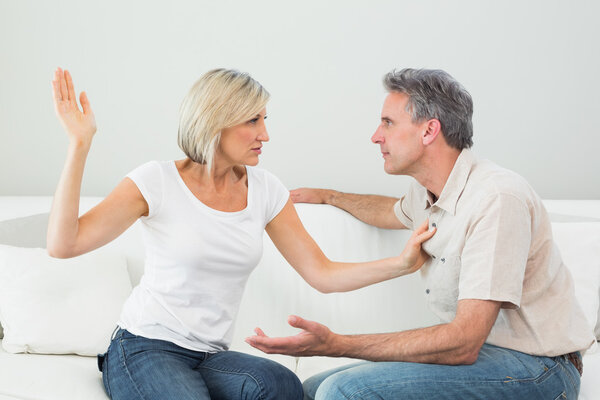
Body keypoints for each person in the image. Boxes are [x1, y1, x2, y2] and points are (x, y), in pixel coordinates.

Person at [47, 67, 436, 400]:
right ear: (216, 121)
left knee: (281, 385)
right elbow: (64, 245)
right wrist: (79, 144)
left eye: (264, 120)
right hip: (145, 347)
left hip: (209, 356)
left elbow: (323, 273)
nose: (264, 135)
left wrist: (400, 264)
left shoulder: (265, 190)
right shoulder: (156, 181)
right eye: (253, 121)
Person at [245, 68, 596, 400]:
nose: (375, 136)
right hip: (490, 358)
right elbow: (387, 211)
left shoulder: (497, 199)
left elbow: (464, 342)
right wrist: (329, 196)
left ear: (429, 131)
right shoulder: (428, 191)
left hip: (541, 370)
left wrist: (336, 343)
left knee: (345, 392)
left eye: (388, 122)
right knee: (312, 388)